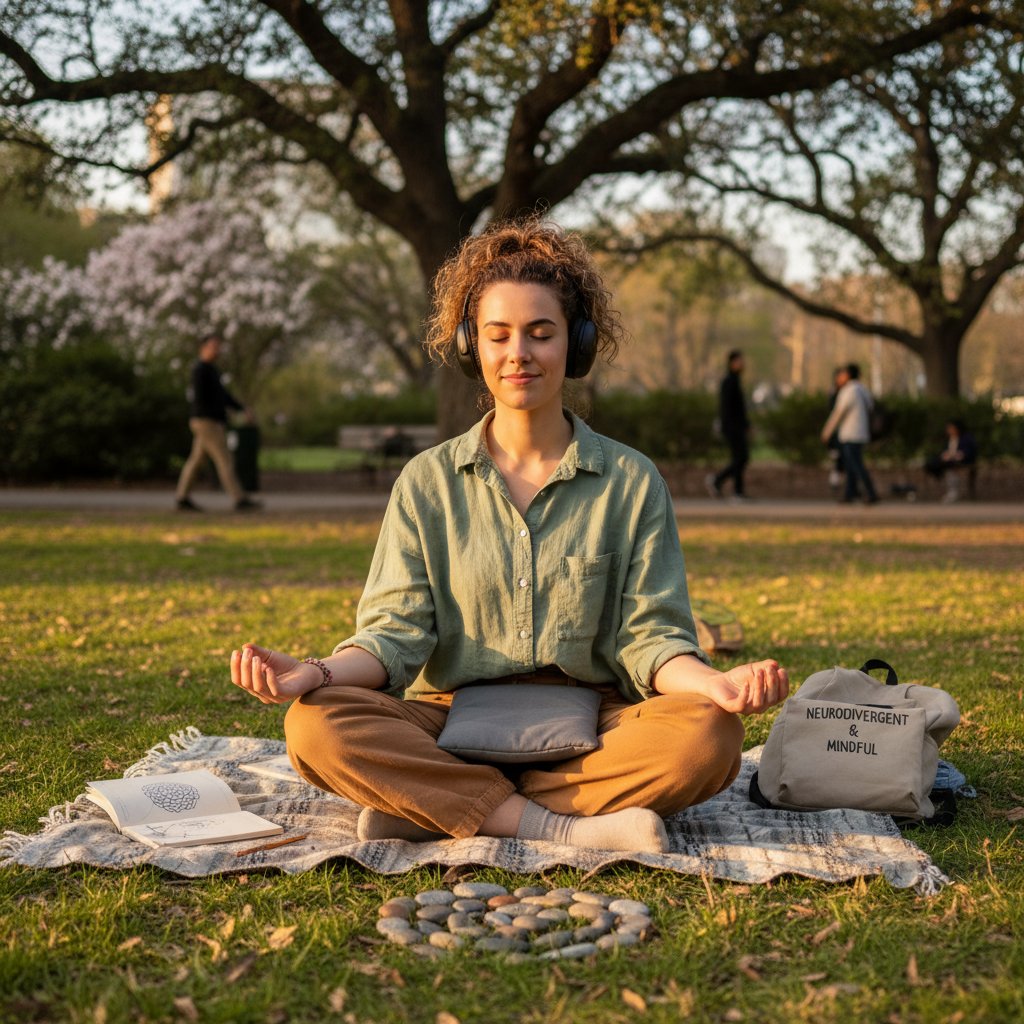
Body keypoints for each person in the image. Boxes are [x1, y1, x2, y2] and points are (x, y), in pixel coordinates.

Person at [229, 219, 788, 856]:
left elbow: (652, 638)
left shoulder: (632, 480)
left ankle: (439, 805)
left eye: (540, 333)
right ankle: (559, 825)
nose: (518, 353)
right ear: (473, 348)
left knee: (708, 738)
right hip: (447, 718)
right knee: (316, 728)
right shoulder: (426, 482)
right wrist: (316, 672)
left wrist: (713, 685)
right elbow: (394, 635)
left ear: (574, 347)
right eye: (498, 335)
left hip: (598, 725)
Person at [175, 335, 261, 512]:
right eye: (213, 346)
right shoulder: (199, 370)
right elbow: (202, 398)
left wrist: (241, 409)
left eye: (218, 346)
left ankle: (182, 497)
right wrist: (218, 415)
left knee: (196, 460)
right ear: (203, 347)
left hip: (208, 421)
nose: (217, 350)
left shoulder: (212, 370)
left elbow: (224, 396)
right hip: (206, 422)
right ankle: (240, 499)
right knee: (225, 459)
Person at [820, 363, 879, 505]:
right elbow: (871, 406)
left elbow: (838, 412)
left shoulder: (849, 391)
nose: (839, 377)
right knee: (851, 464)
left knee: (856, 464)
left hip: (851, 433)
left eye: (843, 374)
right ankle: (850, 494)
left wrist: (827, 431)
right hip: (861, 432)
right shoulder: (863, 389)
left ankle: (871, 493)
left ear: (849, 375)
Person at [706, 350, 751, 501]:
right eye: (739, 361)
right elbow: (726, 408)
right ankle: (733, 490)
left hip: (737, 427)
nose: (742, 364)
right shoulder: (729, 382)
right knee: (740, 458)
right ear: (732, 363)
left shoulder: (736, 381)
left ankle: (720, 481)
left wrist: (746, 425)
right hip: (732, 428)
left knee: (741, 458)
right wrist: (730, 427)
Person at [925, 418, 977, 503]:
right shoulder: (950, 439)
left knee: (949, 465)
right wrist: (946, 455)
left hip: (961, 461)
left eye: (951, 428)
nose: (949, 430)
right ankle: (938, 475)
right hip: (949, 461)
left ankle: (953, 492)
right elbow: (945, 451)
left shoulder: (966, 438)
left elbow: (969, 452)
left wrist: (957, 455)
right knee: (934, 462)